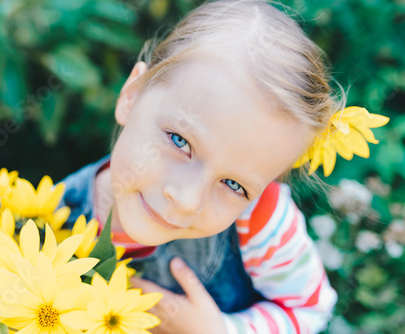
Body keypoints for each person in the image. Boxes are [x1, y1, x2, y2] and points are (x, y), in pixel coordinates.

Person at [56, 0, 388, 333]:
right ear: (132, 95)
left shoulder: (262, 220)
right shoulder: (46, 217)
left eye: (234, 185)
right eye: (180, 142)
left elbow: (310, 310)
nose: (186, 199)